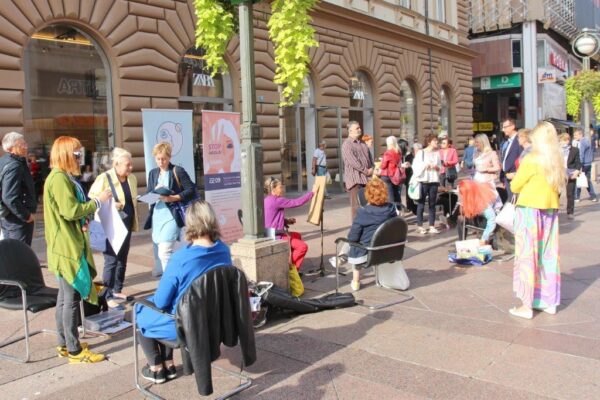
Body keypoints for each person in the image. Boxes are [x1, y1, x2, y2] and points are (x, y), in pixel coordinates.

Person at [135, 201, 232, 383]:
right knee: (165, 307)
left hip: (184, 326)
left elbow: (162, 302)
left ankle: (156, 368)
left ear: (190, 224)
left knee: (140, 312)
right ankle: (169, 364)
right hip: (216, 322)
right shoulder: (224, 251)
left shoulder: (181, 258)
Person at [44, 136, 112, 363]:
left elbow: (69, 212)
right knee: (71, 299)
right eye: (76, 153)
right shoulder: (59, 179)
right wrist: (98, 202)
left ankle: (65, 343)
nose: (79, 157)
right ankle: (74, 350)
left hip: (64, 244)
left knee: (65, 298)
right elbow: (70, 210)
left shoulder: (59, 177)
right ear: (65, 154)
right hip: (67, 248)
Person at [509, 121, 565, 319]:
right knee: (548, 255)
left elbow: (515, 186)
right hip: (550, 209)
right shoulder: (556, 159)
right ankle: (548, 301)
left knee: (527, 256)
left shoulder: (532, 159)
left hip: (529, 210)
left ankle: (526, 305)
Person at [88, 148, 139, 310]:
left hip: (127, 223)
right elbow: (92, 197)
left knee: (123, 258)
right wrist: (110, 204)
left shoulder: (132, 178)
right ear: (116, 164)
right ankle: (107, 294)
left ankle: (117, 289)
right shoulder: (104, 178)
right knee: (111, 260)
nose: (130, 168)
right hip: (110, 225)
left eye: (131, 164)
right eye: (127, 165)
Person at [144, 142, 197, 274]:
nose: (161, 162)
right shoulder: (153, 173)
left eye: (164, 159)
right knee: (159, 250)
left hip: (172, 215)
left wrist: (173, 198)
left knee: (164, 252)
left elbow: (191, 189)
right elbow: (149, 193)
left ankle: (170, 280)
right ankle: (171, 274)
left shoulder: (177, 170)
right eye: (158, 159)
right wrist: (153, 194)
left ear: (169, 157)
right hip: (157, 216)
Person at [336, 179, 397, 291]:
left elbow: (353, 238)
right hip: (388, 250)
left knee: (353, 241)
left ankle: (355, 281)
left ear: (367, 194)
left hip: (368, 252)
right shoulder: (391, 209)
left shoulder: (363, 212)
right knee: (358, 238)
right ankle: (342, 257)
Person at [264, 176, 315, 271]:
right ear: (273, 189)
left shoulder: (267, 199)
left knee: (297, 235)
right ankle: (290, 270)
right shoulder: (277, 200)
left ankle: (289, 261)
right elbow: (296, 202)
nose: (282, 189)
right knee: (303, 247)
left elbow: (271, 218)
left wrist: (286, 221)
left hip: (271, 232)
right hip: (276, 235)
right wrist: (312, 193)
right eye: (280, 187)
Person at [0, 132, 37, 245]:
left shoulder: (4, 161)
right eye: (22, 144)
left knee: (11, 253)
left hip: (8, 217)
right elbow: (9, 197)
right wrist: (26, 216)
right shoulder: (14, 165)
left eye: (25, 143)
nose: (26, 146)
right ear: (11, 148)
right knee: (19, 254)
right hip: (17, 220)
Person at [342, 121, 373, 221]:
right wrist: (366, 171)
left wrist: (372, 168)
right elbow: (353, 162)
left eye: (359, 128)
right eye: (357, 128)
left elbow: (369, 158)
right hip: (355, 181)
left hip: (366, 180)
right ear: (350, 131)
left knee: (368, 206)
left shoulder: (362, 143)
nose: (360, 129)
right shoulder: (347, 144)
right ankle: (356, 232)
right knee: (356, 208)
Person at [412, 134, 442, 234]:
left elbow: (440, 167)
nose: (436, 142)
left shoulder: (437, 153)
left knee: (432, 204)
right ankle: (420, 226)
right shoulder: (421, 152)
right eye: (435, 141)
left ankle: (432, 225)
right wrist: (426, 165)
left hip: (434, 180)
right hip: (423, 181)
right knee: (421, 203)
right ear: (429, 142)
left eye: (437, 141)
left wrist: (436, 167)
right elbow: (415, 166)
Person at [456, 179, 501, 245]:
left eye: (462, 194)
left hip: (488, 222)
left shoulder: (483, 202)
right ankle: (462, 243)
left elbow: (492, 219)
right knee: (460, 218)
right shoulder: (468, 197)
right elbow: (462, 213)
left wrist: (484, 238)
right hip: (478, 217)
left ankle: (490, 241)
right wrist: (461, 201)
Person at [559, 133, 581, 220]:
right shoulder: (557, 150)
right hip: (560, 174)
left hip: (571, 173)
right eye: (562, 141)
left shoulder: (575, 150)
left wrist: (577, 171)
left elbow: (578, 162)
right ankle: (554, 210)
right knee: (557, 193)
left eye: (566, 140)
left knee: (570, 193)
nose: (564, 142)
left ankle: (570, 212)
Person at [500, 118, 523, 199]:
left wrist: (517, 174)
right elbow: (504, 158)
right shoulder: (506, 141)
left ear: (512, 126)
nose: (503, 130)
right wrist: (502, 177)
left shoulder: (520, 140)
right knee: (510, 201)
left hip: (515, 176)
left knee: (515, 202)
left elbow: (522, 159)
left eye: (505, 127)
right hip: (507, 178)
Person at [379, 136, 403, 210]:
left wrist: (382, 160)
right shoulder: (398, 151)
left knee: (389, 195)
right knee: (396, 193)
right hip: (395, 175)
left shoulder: (388, 153)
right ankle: (399, 210)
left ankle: (392, 212)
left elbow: (383, 166)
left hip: (387, 175)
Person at [573, 129, 597, 202]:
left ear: (580, 134)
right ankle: (593, 196)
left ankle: (577, 197)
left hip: (583, 164)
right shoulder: (587, 141)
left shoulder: (582, 142)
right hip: (588, 163)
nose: (574, 137)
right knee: (587, 180)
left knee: (578, 180)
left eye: (575, 135)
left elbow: (581, 154)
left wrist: (579, 165)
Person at [404, 142, 421, 215]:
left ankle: (416, 208)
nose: (420, 151)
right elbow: (406, 168)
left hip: (418, 177)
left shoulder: (421, 156)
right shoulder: (408, 157)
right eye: (418, 149)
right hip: (410, 177)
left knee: (417, 192)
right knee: (409, 192)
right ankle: (410, 207)